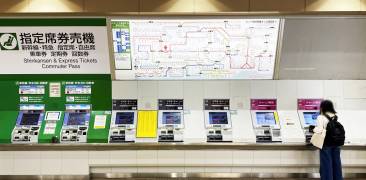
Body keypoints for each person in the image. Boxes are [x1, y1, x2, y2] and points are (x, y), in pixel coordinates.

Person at [313, 100, 343, 180]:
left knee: (326, 164)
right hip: (336, 143)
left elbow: (319, 130)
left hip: (326, 144)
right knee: (336, 164)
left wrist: (313, 129)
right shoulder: (335, 116)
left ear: (322, 107)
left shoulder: (321, 117)